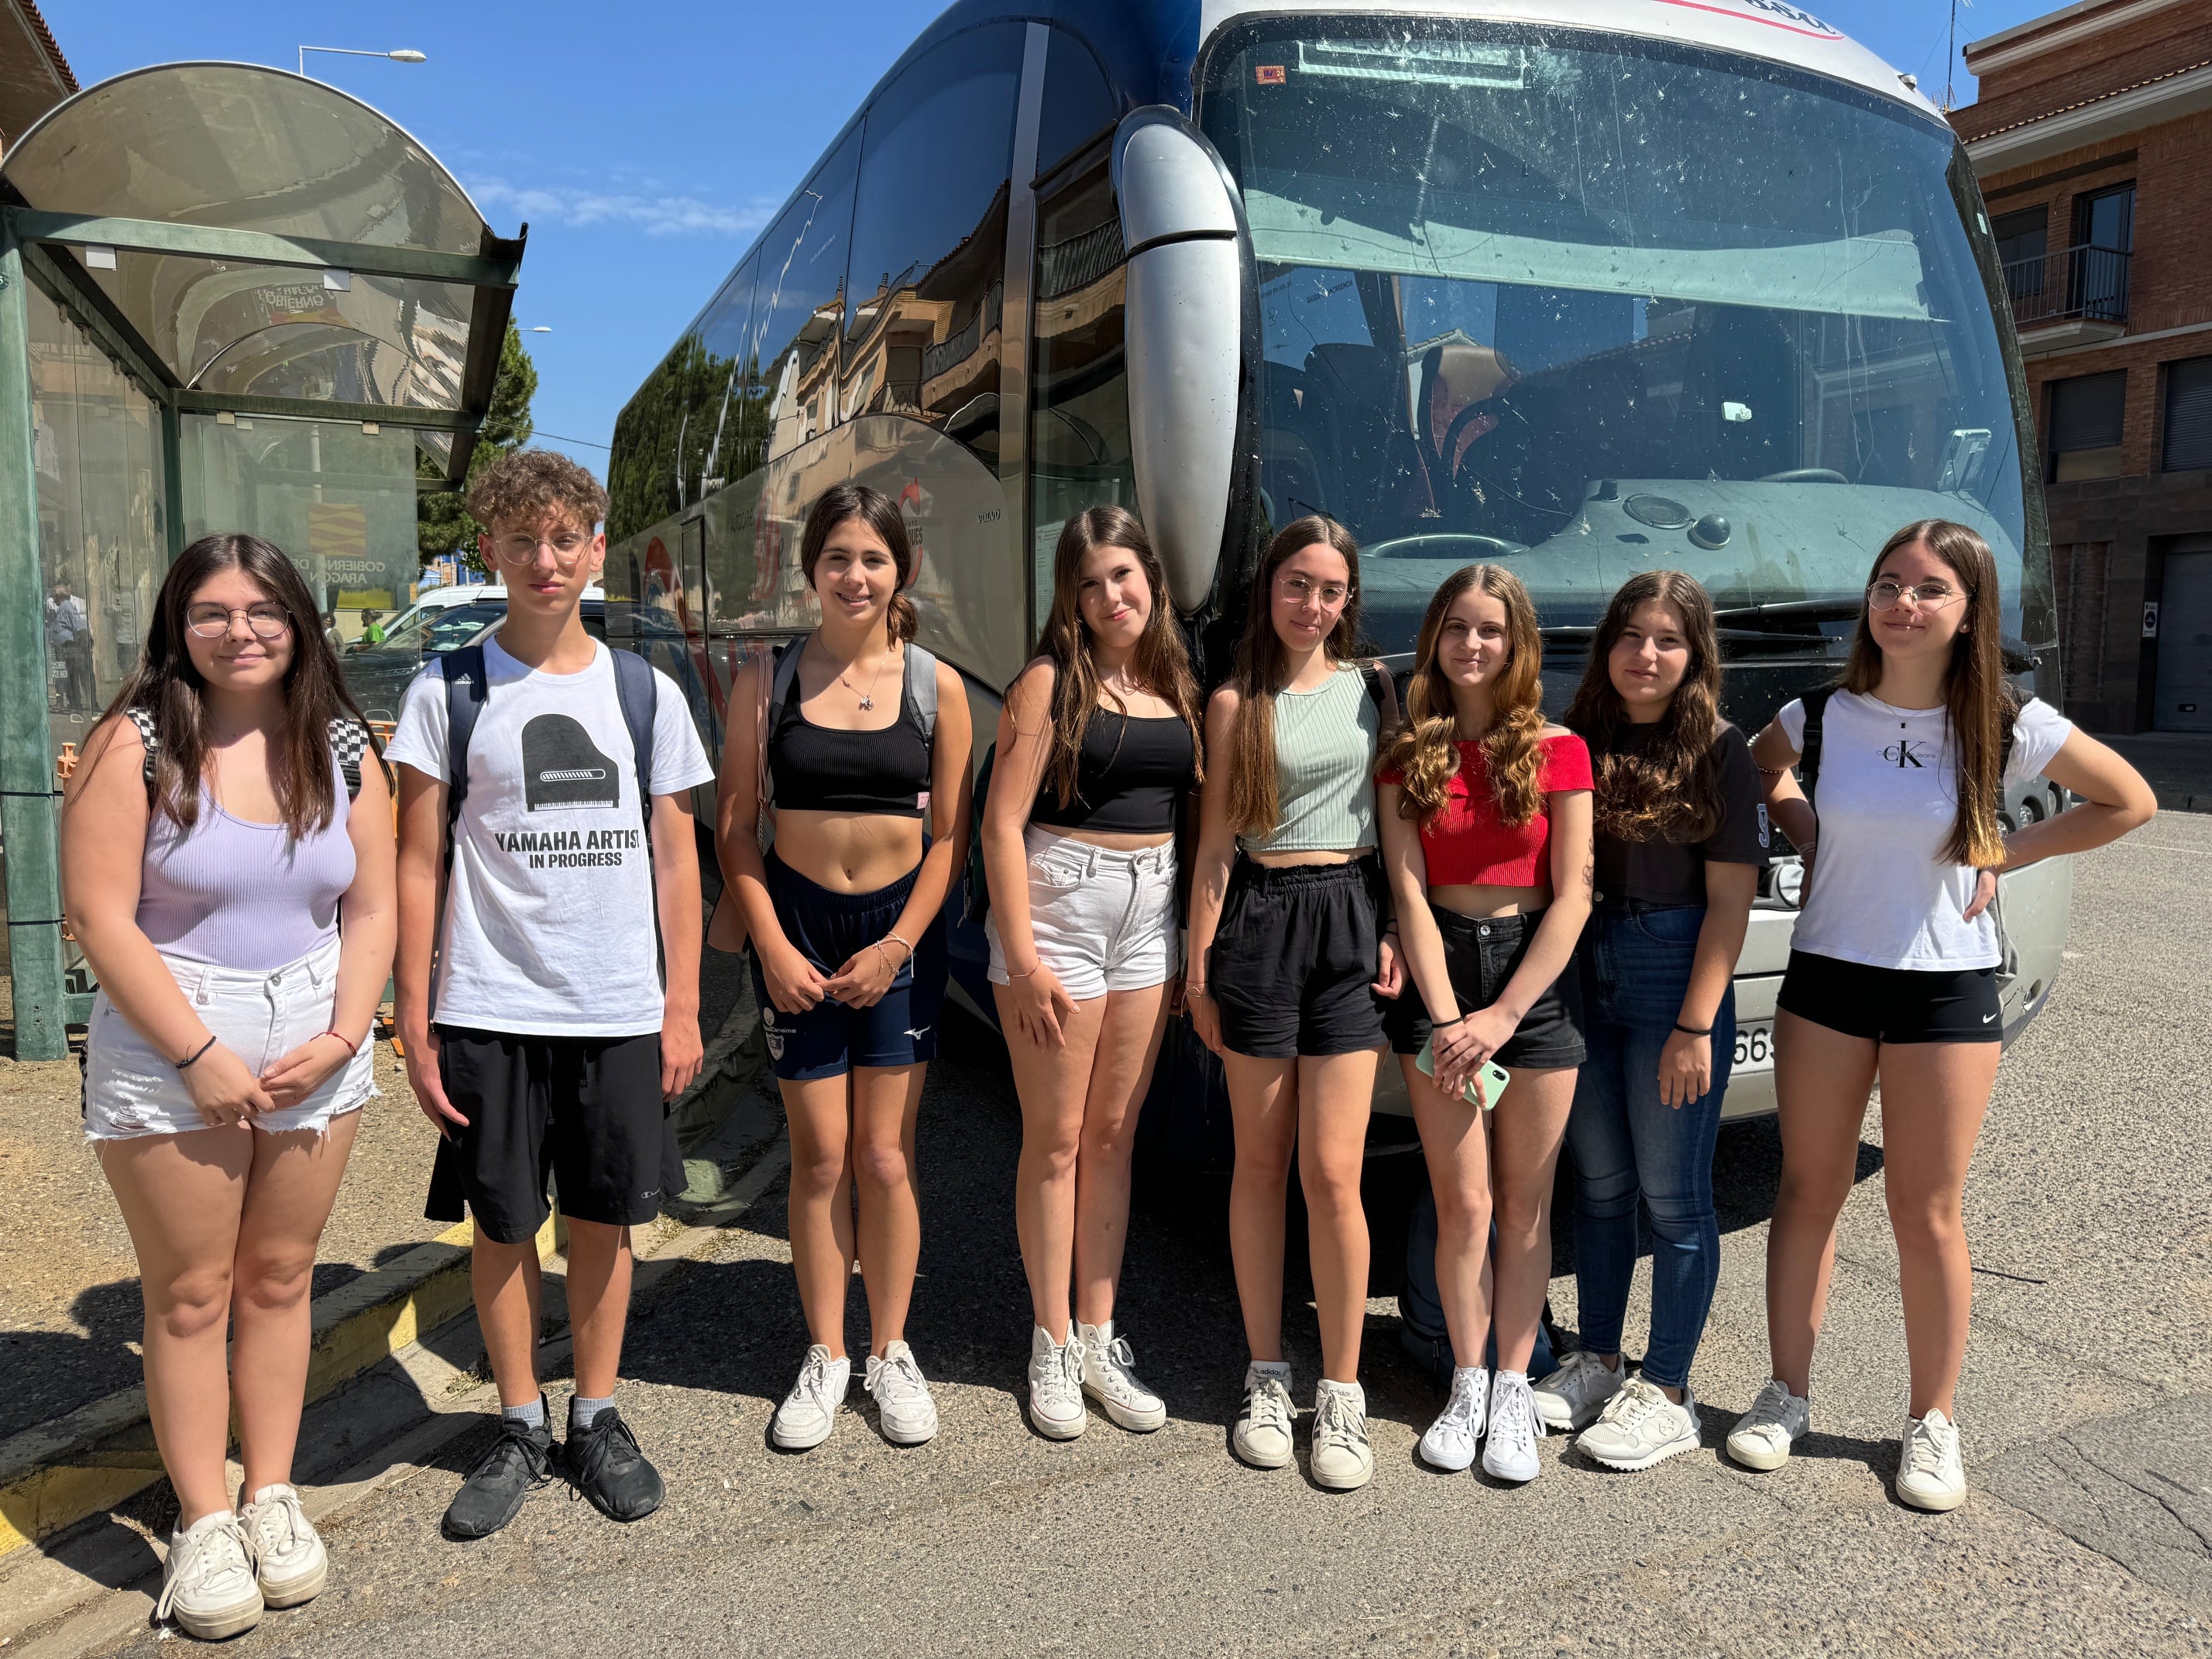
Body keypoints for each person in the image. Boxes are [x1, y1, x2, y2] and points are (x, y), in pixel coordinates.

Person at [1733, 519, 2154, 1510]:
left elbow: (2129, 800)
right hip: (1827, 981)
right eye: (1889, 585)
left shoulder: (2005, 720)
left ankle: (1933, 1421)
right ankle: (1786, 1394)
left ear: (1970, 613)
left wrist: (2006, 852)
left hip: (1945, 988)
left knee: (1925, 1212)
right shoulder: (1820, 714)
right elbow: (1760, 768)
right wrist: (1812, 834)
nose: (1904, 604)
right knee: (1809, 1191)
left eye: (1930, 589)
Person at [62, 534, 393, 1640]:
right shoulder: (135, 741)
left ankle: (271, 1491)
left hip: (315, 1037)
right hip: (174, 1038)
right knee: (192, 1293)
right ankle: (204, 1519)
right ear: (177, 623)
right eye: (210, 611)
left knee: (283, 1275)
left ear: (299, 622)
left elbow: (373, 906)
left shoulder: (343, 744)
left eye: (263, 610)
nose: (238, 630)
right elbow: (99, 913)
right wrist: (197, 1052)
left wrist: (346, 1032)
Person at [389, 451, 713, 1540]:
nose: (544, 558)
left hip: (616, 1006)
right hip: (489, 1006)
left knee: (605, 1219)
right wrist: (414, 1013)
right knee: (502, 1223)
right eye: (522, 539)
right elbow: (417, 861)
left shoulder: (644, 693)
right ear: (490, 549)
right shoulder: (447, 691)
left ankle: (597, 1417)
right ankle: (521, 1424)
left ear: (595, 549)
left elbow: (678, 858)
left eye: (564, 537)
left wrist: (680, 1004)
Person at [715, 482, 973, 1453]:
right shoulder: (767, 681)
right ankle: (826, 1353)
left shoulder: (936, 687)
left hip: (897, 936)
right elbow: (734, 830)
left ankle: (891, 1350)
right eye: (837, 558)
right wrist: (774, 944)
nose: (854, 575)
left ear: (902, 568)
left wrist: (898, 945)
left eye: (873, 558)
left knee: (885, 1156)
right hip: (799, 931)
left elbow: (950, 841)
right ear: (810, 568)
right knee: (820, 1157)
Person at [1186, 515, 1400, 1492]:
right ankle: (1267, 1374)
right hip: (1260, 925)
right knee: (1261, 1164)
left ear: (1349, 599)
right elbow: (1214, 849)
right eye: (1297, 584)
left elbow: (1396, 829)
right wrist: (1197, 971)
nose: (1313, 604)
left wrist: (1392, 928)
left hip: (1349, 918)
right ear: (1268, 589)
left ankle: (1343, 1391)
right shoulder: (1236, 702)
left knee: (1333, 1171)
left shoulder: (1374, 690)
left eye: (1331, 589)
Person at [1531, 572, 1764, 1469]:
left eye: (1668, 639)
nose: (1647, 654)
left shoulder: (1721, 747)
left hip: (1674, 975)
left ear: (1695, 654)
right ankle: (1598, 1361)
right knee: (1600, 1186)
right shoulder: (1577, 736)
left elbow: (1732, 904)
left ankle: (1667, 1390)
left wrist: (1697, 1027)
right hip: (1585, 967)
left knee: (1673, 1200)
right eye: (1632, 635)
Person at [981, 507, 1200, 1438]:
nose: (1112, 596)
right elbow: (1000, 826)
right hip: (1059, 912)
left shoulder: (1175, 681)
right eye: (1090, 583)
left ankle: (1101, 1336)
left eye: (1123, 575)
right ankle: (1051, 1341)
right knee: (1058, 1139)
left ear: (1152, 578)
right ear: (1069, 600)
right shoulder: (1048, 683)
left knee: (1114, 1137)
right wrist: (1025, 961)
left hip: (1149, 915)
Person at [1376, 564, 1592, 1485]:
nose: (1473, 645)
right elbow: (1408, 894)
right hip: (1442, 980)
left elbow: (1574, 895)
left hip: (1531, 983)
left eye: (1491, 630)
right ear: (1436, 640)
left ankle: (1512, 1385)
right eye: (1458, 627)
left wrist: (1502, 1016)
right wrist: (1446, 1019)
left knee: (1524, 1205)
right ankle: (1466, 1383)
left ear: (1517, 644)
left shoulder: (1560, 750)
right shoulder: (1406, 758)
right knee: (1461, 1204)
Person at [49, 579, 95, 710]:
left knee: (73, 675)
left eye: (54, 595)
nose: (52, 598)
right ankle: (71, 702)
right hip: (64, 646)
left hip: (69, 646)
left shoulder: (66, 606)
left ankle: (76, 703)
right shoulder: (63, 607)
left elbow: (77, 623)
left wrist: (84, 640)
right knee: (66, 674)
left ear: (59, 596)